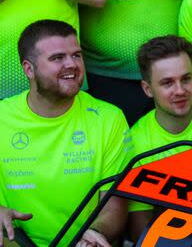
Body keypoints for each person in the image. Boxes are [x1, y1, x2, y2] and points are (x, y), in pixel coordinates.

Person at [0, 20, 132, 247]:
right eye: (57, 58)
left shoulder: (109, 118)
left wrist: (94, 233)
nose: (72, 64)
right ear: (28, 69)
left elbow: (115, 204)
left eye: (77, 55)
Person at [127, 35, 192, 239]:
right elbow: (141, 229)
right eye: (167, 83)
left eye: (186, 79)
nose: (180, 90)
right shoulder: (136, 142)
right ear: (148, 89)